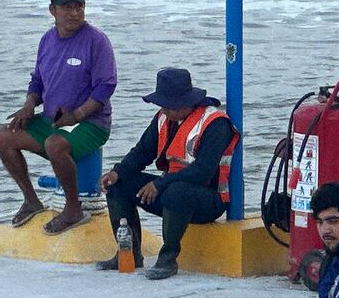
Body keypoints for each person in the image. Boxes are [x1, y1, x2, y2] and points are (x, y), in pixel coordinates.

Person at [0, 0, 117, 234]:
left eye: (79, 7)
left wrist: (77, 115)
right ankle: (31, 200)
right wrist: (29, 105)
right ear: (53, 10)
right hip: (54, 121)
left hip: (90, 123)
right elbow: (37, 80)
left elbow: (105, 87)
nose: (74, 13)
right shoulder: (47, 40)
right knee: (5, 136)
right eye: (67, 7)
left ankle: (74, 209)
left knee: (55, 144)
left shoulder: (97, 41)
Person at [97, 67, 236, 280]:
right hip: (172, 190)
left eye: (169, 105)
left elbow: (203, 171)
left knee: (175, 191)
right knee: (117, 185)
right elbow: (143, 152)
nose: (164, 110)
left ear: (187, 101)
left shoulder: (215, 124)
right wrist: (117, 172)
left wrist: (160, 184)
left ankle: (168, 259)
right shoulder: (163, 118)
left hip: (209, 199)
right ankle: (129, 253)